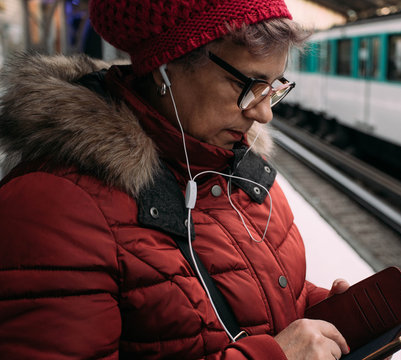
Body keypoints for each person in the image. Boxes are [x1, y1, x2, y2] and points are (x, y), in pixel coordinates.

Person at [0, 0, 352, 359]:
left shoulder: (237, 168)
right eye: (247, 84)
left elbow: (245, 298)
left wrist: (321, 320)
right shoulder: (53, 205)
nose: (264, 112)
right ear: (164, 68)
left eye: (273, 85)